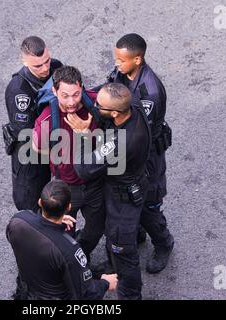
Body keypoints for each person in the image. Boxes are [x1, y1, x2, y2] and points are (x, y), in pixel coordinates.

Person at [72, 83, 152, 300]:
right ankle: (117, 259)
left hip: (122, 198)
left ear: (115, 113)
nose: (95, 107)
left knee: (121, 248)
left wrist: (82, 135)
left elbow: (84, 168)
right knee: (132, 229)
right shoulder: (131, 102)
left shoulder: (120, 143)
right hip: (137, 179)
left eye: (100, 106)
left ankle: (130, 294)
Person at [108, 33, 174, 273]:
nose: (116, 63)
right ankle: (138, 233)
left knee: (148, 204)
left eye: (121, 59)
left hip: (146, 156)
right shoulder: (123, 72)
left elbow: (139, 130)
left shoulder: (150, 92)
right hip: (130, 149)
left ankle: (164, 243)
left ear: (137, 59)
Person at [31, 66, 105, 261]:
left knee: (96, 229)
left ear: (81, 87)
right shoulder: (47, 118)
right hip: (66, 186)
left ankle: (80, 255)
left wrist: (85, 134)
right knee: (61, 231)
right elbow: (36, 147)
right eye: (65, 96)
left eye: (76, 94)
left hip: (95, 183)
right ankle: (69, 260)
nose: (71, 102)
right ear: (54, 92)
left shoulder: (98, 104)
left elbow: (114, 140)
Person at [6, 179, 118, 300]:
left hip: (26, 291)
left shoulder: (18, 221)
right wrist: (105, 283)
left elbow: (33, 225)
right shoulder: (69, 250)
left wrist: (53, 224)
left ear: (40, 202)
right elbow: (85, 293)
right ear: (69, 207)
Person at [4, 36, 62, 211]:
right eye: (38, 65)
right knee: (29, 200)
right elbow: (26, 134)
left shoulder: (56, 67)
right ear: (24, 61)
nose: (45, 68)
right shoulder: (19, 90)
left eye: (47, 61)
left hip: (54, 140)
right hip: (30, 152)